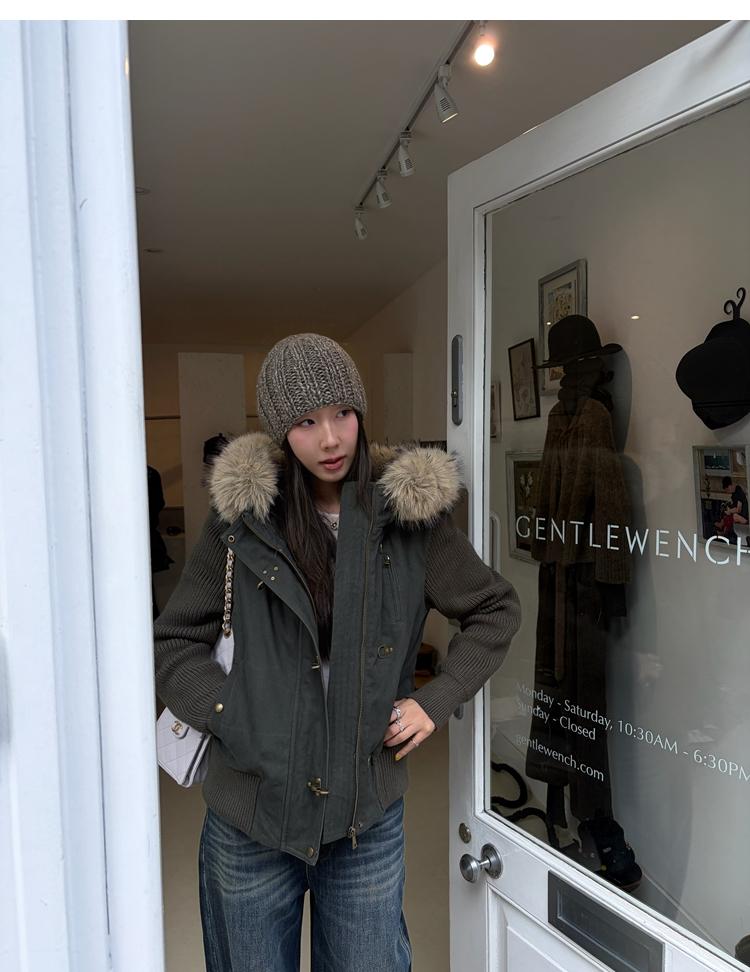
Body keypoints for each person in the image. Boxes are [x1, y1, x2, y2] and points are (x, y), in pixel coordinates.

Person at [153, 333, 520, 972]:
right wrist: (231, 711)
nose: (330, 439)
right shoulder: (242, 521)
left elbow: (494, 609)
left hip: (364, 821)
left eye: (343, 413)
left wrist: (435, 701)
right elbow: (176, 641)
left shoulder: (410, 518)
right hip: (250, 816)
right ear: (280, 430)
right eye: (306, 422)